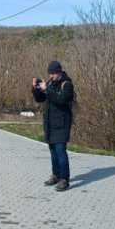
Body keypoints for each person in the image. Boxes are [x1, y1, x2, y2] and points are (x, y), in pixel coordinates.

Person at [32, 61, 75, 192]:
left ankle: (64, 179)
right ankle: (55, 175)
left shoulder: (67, 84)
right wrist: (35, 89)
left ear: (60, 71)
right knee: (53, 152)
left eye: (54, 73)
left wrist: (47, 89)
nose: (51, 75)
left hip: (62, 123)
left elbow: (61, 100)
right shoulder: (50, 84)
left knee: (61, 152)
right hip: (50, 124)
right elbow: (40, 99)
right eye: (50, 73)